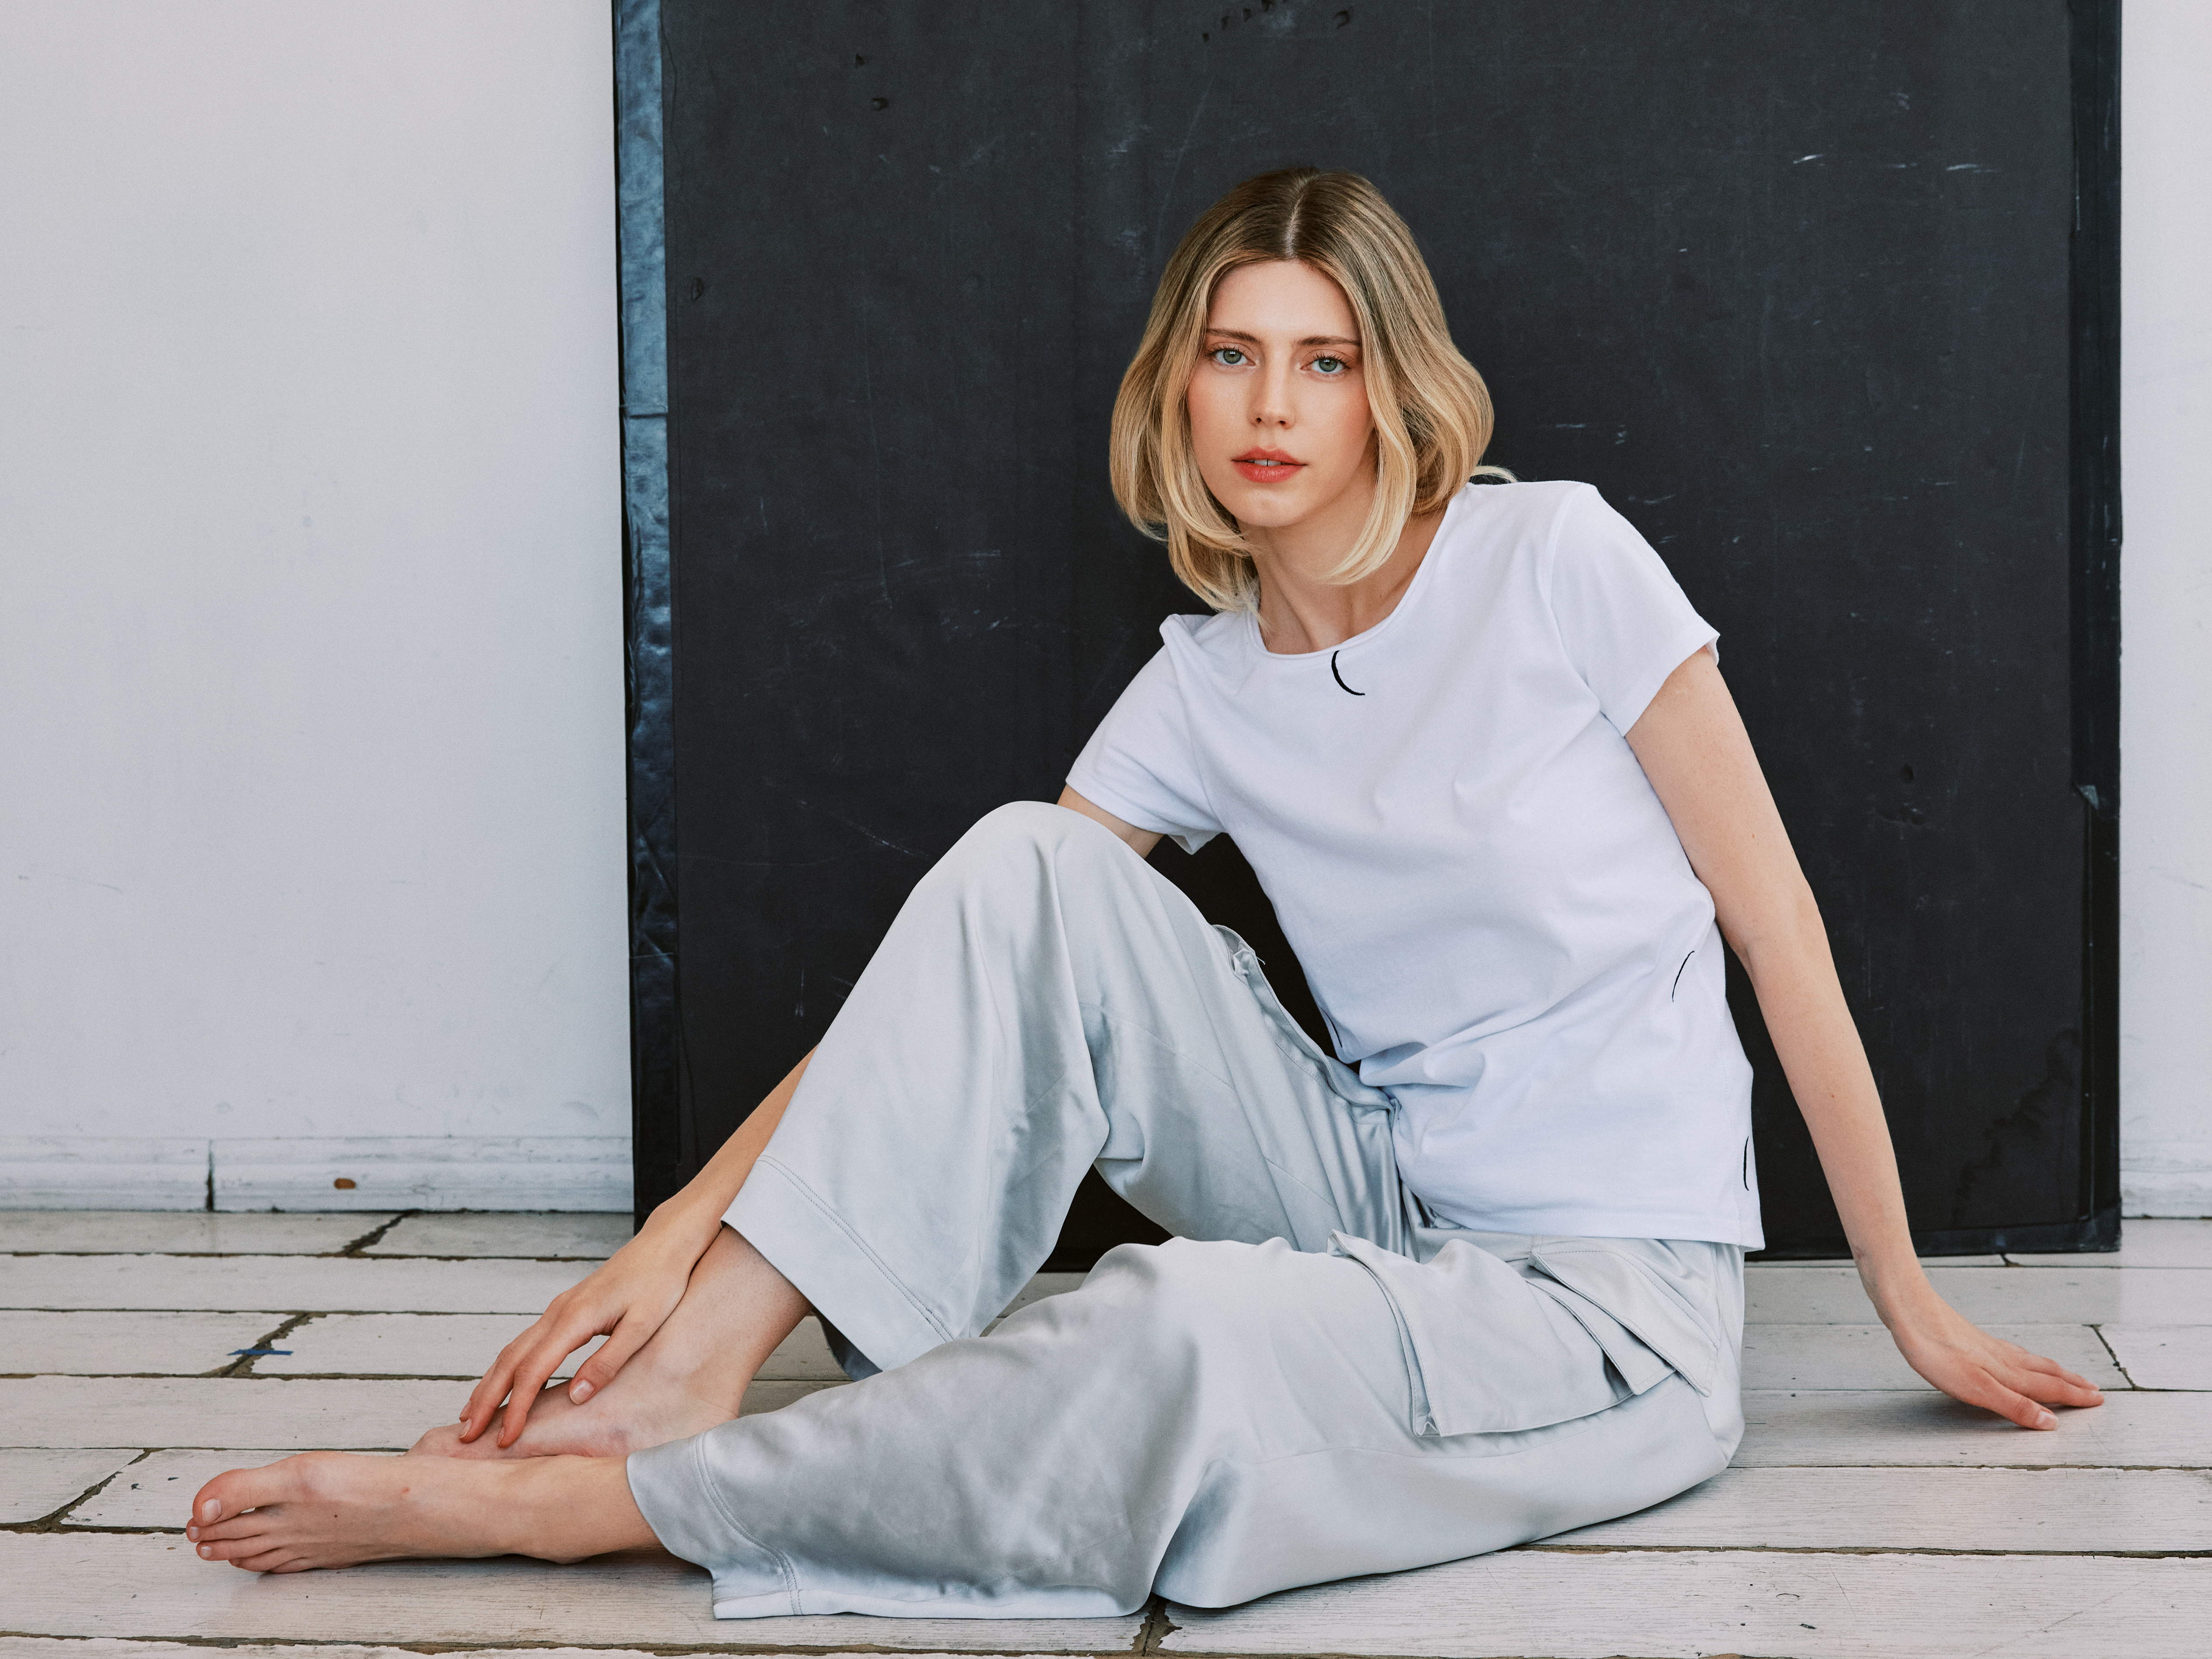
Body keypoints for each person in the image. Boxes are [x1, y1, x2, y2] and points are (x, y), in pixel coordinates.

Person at [185, 168, 2102, 1608]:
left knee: (1173, 1328)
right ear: (1180, 386)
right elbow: (962, 979)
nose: (1273, 405)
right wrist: (676, 1238)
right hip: (1378, 1195)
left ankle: (610, 1510)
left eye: (1324, 362)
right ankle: (691, 1377)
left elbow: (1776, 925)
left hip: (1605, 1302)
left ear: (1388, 390)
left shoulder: (1559, 567)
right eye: (1233, 355)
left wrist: (1903, 1296)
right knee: (1025, 861)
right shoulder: (1203, 683)